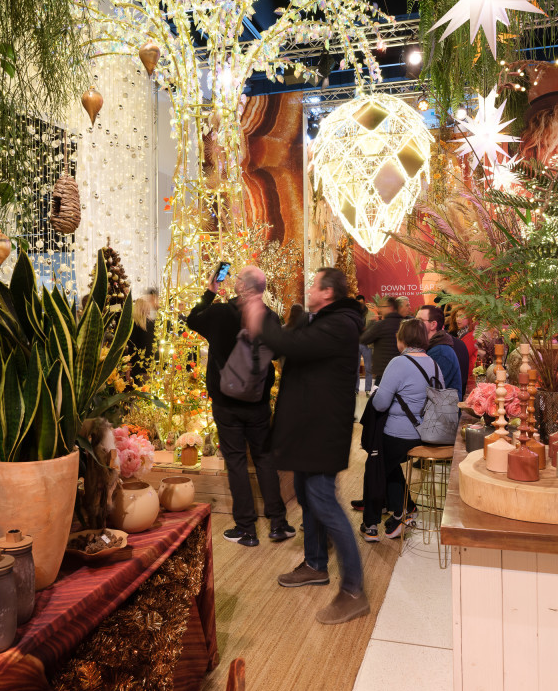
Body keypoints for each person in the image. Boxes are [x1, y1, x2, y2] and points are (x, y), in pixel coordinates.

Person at [242, 267, 369, 625]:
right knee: (306, 491)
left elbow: (289, 345)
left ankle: (354, 590)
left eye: (314, 284)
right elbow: (290, 341)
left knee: (324, 501)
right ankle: (315, 563)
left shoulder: (339, 324)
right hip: (311, 430)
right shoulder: (326, 320)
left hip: (321, 432)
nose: (309, 289)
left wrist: (257, 314)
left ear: (327, 292)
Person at [186, 266, 294, 548]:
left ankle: (246, 529)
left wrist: (210, 292)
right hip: (258, 402)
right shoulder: (270, 318)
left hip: (225, 403)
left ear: (241, 287)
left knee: (235, 461)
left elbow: (192, 320)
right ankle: (278, 523)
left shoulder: (219, 313)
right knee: (264, 459)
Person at [359, 319, 436, 541]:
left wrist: (377, 394)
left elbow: (381, 403)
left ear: (402, 339)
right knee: (389, 466)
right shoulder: (433, 363)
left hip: (398, 435)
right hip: (426, 434)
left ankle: (371, 525)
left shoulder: (398, 363)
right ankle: (403, 511)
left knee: (375, 463)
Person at [416, 304, 463, 401]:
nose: (415, 324)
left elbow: (433, 390)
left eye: (419, 321)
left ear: (433, 324)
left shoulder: (440, 352)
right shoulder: (434, 347)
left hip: (441, 413)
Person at [359, 296, 402, 386]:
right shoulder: (403, 323)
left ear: (390, 308)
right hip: (400, 371)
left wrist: (372, 323)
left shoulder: (381, 325)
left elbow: (364, 339)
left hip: (383, 372)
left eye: (382, 307)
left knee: (379, 399)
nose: (379, 309)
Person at [436, 300, 470, 396]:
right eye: (457, 316)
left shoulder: (470, 336)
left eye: (462, 316)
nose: (458, 319)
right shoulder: (460, 334)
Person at [126, 297, 155, 382]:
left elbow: (132, 348)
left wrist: (128, 368)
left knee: (138, 390)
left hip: (137, 365)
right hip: (150, 364)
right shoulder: (152, 324)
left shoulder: (134, 325)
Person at [354, 295, 373, 393]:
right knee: (355, 368)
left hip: (367, 345)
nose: (360, 305)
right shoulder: (353, 314)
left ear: (364, 302)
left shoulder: (371, 314)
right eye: (358, 303)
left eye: (361, 303)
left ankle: (367, 389)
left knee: (368, 368)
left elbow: (374, 330)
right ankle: (356, 389)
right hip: (355, 344)